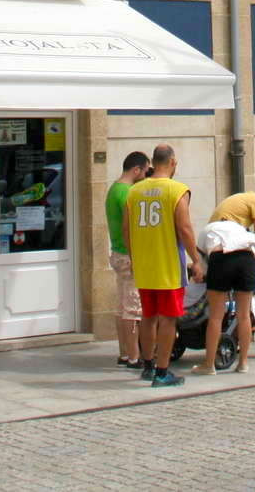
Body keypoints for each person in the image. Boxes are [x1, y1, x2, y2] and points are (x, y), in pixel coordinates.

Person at [123, 143, 202, 388]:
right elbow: (184, 228)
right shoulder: (177, 190)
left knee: (148, 316)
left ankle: (147, 365)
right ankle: (162, 371)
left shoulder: (134, 192)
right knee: (168, 319)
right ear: (172, 162)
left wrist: (134, 258)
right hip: (167, 265)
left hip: (144, 264)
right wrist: (196, 260)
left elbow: (127, 230)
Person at [194, 183, 255, 376]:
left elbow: (200, 253)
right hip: (246, 258)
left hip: (221, 256)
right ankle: (243, 363)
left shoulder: (214, 224)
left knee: (216, 316)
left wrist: (199, 270)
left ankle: (209, 365)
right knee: (243, 314)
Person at [104, 151, 150, 369]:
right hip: (129, 254)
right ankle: (134, 356)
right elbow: (131, 225)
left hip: (117, 252)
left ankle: (124, 353)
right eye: (145, 170)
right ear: (136, 170)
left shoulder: (114, 189)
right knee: (134, 309)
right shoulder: (127, 193)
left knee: (122, 306)